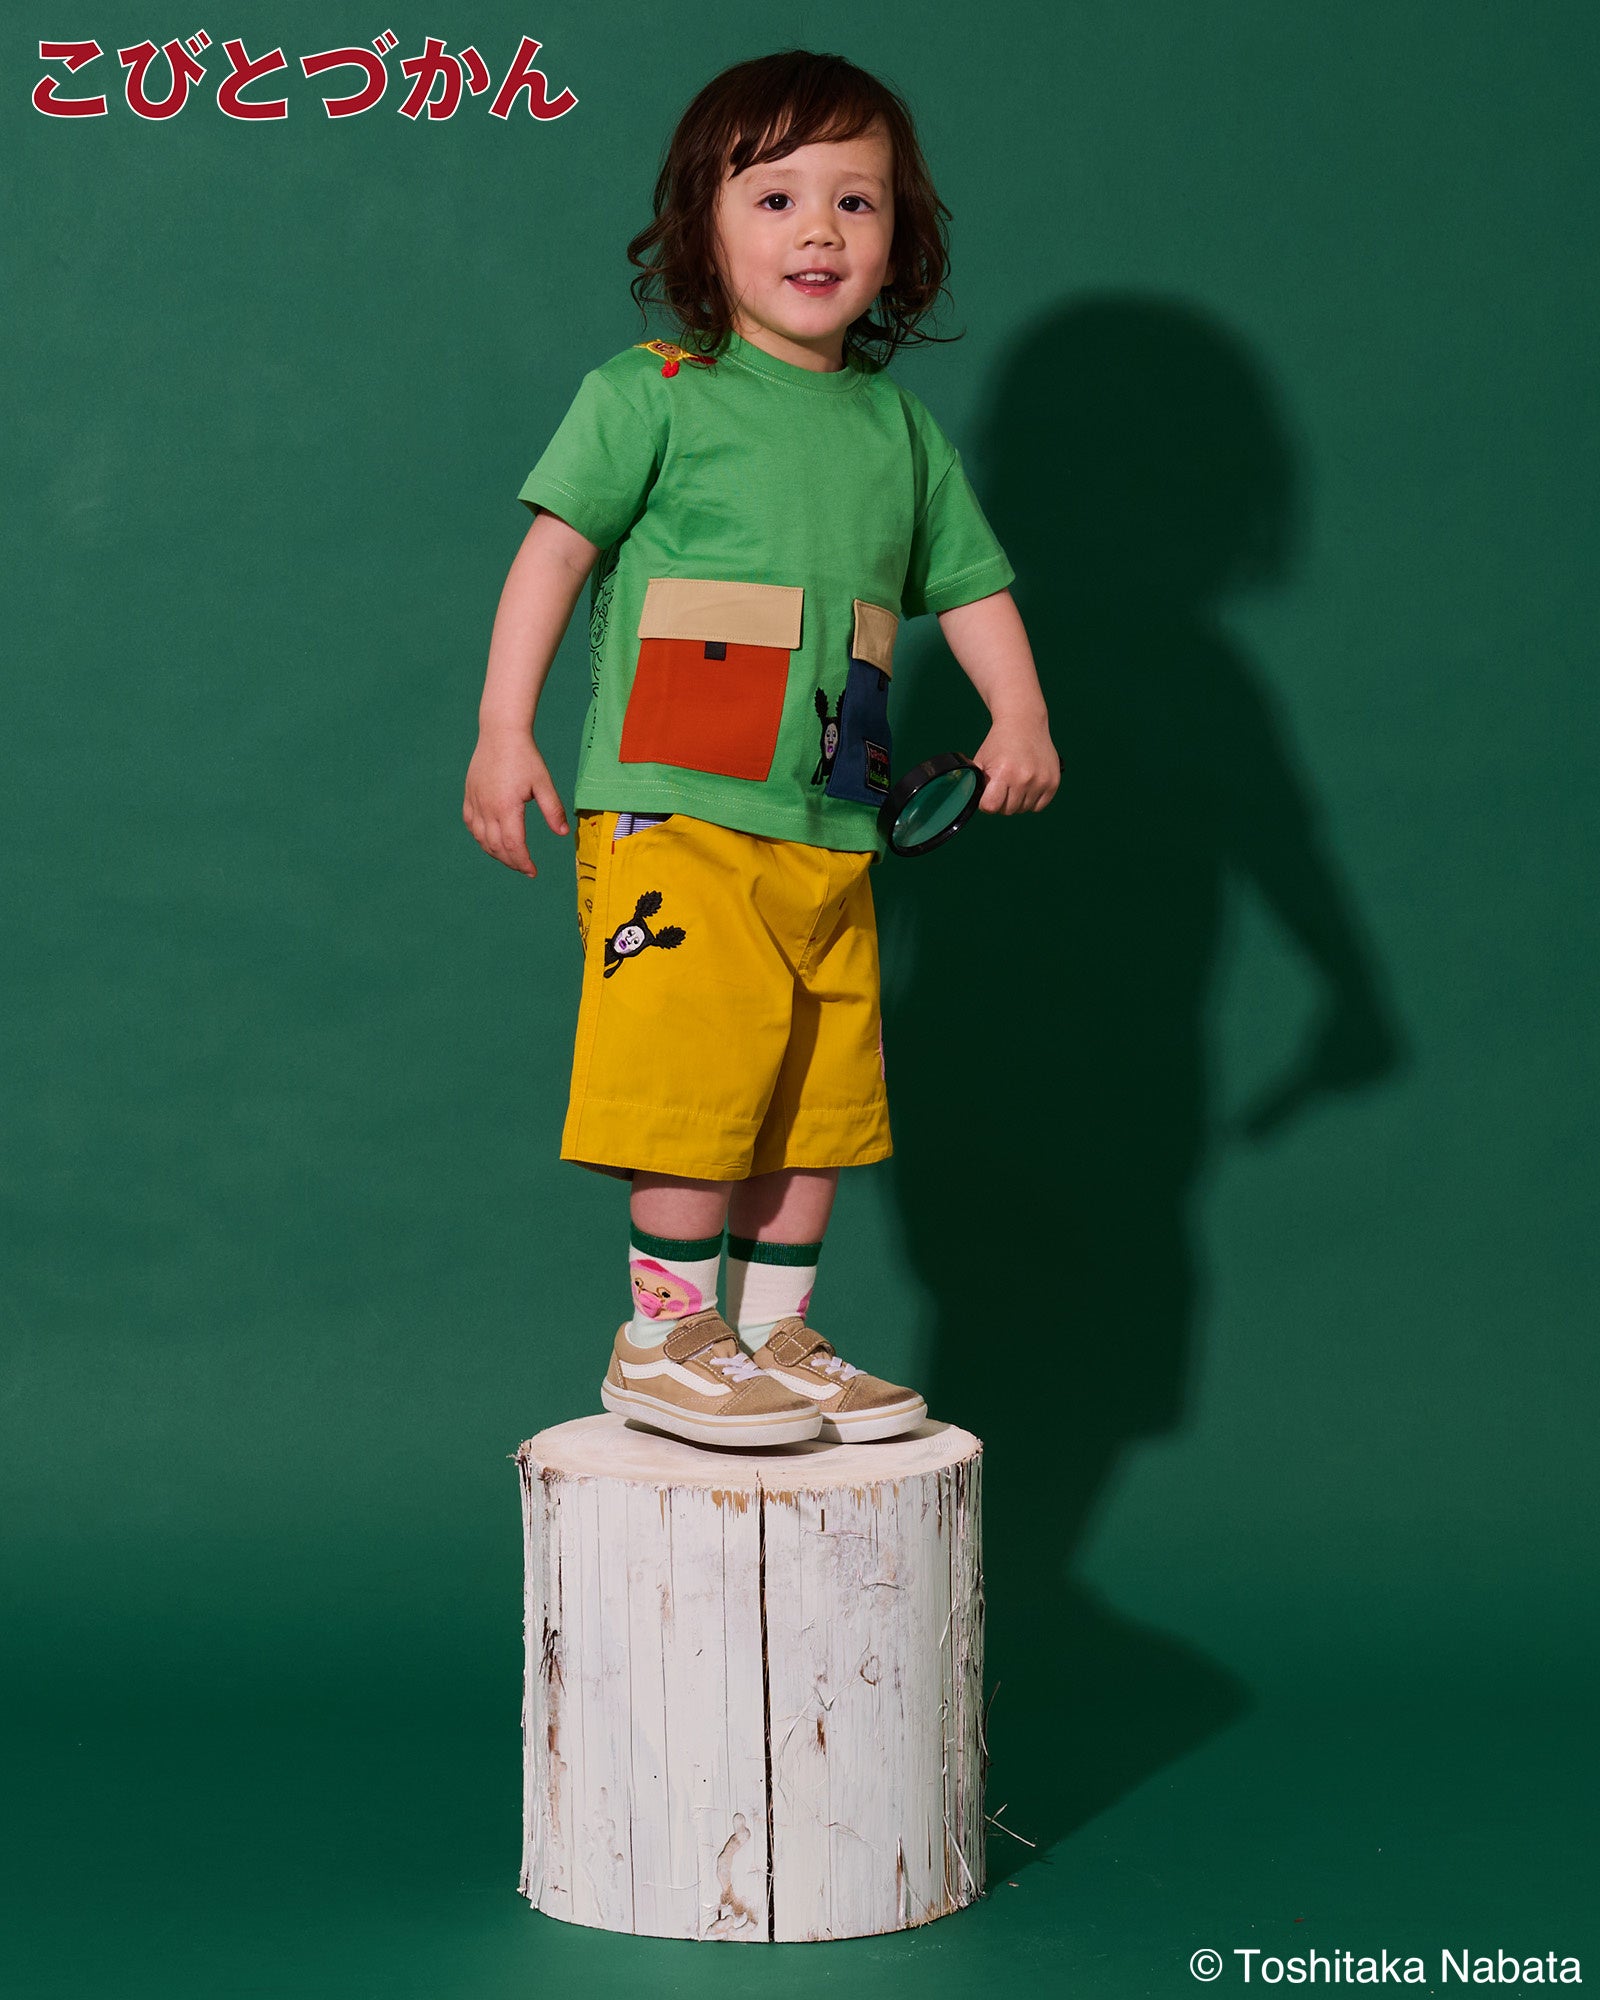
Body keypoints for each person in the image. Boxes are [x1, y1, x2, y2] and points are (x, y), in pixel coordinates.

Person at [464, 49, 1059, 1449]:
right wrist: (503, 728)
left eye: (857, 201)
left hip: (832, 827)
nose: (819, 230)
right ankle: (666, 1334)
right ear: (703, 225)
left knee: (817, 1089)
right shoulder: (654, 392)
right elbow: (554, 553)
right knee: (691, 1073)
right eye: (777, 197)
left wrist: (1021, 714)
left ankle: (776, 1331)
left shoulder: (897, 430)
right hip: (676, 814)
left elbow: (972, 586)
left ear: (901, 236)